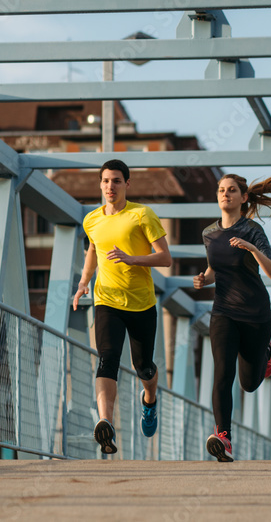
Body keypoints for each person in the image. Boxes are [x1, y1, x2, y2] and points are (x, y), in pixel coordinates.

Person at [73, 159, 172, 455]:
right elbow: (93, 249)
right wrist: (83, 282)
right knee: (107, 358)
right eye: (105, 181)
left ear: (127, 184)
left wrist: (133, 259)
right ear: (100, 184)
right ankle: (106, 422)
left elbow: (166, 258)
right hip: (107, 301)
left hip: (141, 304)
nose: (110, 186)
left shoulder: (142, 214)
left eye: (116, 181)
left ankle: (150, 400)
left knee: (143, 366)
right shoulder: (92, 219)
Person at [194, 173, 271, 462]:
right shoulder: (208, 233)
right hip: (223, 311)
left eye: (232, 190)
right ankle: (223, 437)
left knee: (249, 383)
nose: (226, 194)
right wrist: (204, 279)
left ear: (243, 198)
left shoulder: (252, 230)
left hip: (256, 314)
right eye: (222, 190)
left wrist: (251, 248)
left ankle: (266, 351)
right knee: (222, 373)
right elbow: (214, 268)